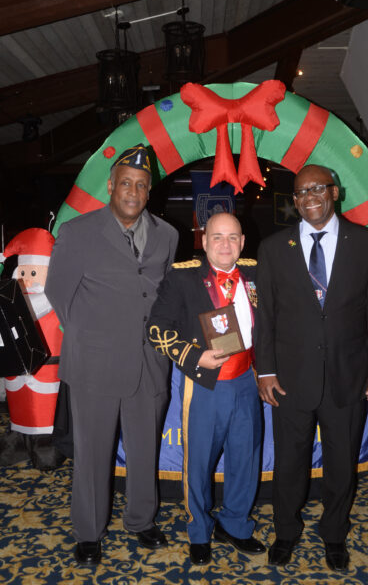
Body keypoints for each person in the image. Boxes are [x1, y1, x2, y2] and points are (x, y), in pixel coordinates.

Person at [45, 144, 178, 566]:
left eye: (141, 185)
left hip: (149, 364)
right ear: (111, 185)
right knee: (92, 452)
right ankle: (88, 531)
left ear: (149, 190)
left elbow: (164, 296)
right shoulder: (78, 232)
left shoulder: (168, 235)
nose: (133, 191)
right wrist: (95, 335)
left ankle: (141, 520)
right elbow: (57, 293)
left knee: (144, 450)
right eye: (125, 183)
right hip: (95, 365)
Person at [256, 164, 368, 571]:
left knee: (340, 462)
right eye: (300, 192)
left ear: (335, 192)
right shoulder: (274, 248)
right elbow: (267, 318)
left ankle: (334, 534)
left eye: (317, 188)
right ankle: (285, 531)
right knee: (289, 463)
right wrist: (265, 371)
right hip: (291, 379)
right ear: (294, 201)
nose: (309, 197)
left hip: (348, 376)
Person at [147, 212, 265, 565]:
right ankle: (199, 530)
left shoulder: (256, 274)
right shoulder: (183, 277)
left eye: (232, 237)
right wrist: (194, 356)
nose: (225, 244)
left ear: (242, 242)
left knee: (246, 459)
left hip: (246, 381)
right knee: (198, 463)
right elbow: (155, 328)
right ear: (204, 240)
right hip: (204, 386)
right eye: (217, 237)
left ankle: (236, 525)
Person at [0, 228, 65, 471]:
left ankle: (47, 443)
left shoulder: (52, 299)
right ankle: (18, 436)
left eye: (34, 273)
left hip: (45, 371)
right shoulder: (11, 300)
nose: (27, 279)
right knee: (18, 406)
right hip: (16, 373)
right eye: (23, 272)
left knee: (46, 413)